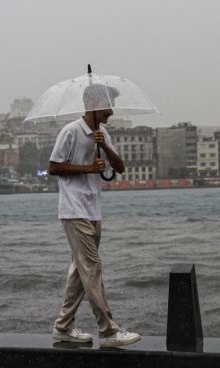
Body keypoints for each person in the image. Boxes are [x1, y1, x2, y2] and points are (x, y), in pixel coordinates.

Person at [48, 84, 141, 348]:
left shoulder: (102, 132)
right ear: (94, 103)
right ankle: (109, 331)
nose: (111, 110)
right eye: (108, 104)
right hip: (74, 209)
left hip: (93, 210)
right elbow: (53, 167)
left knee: (81, 269)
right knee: (92, 267)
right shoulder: (71, 131)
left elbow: (120, 168)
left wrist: (106, 147)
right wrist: (89, 168)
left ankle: (63, 327)